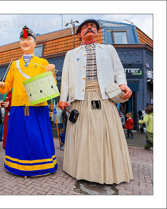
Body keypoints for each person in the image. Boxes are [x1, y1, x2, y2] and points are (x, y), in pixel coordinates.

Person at [58, 19, 133, 184]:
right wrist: (63, 99)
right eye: (84, 27)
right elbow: (66, 78)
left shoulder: (109, 49)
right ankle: (80, 169)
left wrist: (123, 85)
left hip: (104, 97)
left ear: (98, 32)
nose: (89, 28)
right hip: (80, 98)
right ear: (79, 34)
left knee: (106, 133)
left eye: (92, 26)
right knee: (82, 132)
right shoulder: (71, 54)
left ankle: (109, 170)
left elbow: (118, 70)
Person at [0, 26, 57, 177]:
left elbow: (50, 85)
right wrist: (1, 86)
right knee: (19, 137)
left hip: (38, 107)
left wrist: (51, 71)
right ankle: (16, 165)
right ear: (19, 43)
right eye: (22, 39)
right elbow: (8, 86)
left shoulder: (43, 62)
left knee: (37, 137)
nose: (25, 41)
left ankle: (41, 165)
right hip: (18, 106)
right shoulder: (14, 64)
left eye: (28, 39)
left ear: (35, 43)